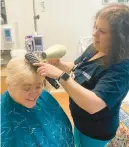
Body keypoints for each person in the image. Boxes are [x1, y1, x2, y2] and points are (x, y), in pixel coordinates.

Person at [33, 3, 129, 147]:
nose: (94, 34)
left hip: (97, 132)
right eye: (95, 27)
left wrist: (61, 75)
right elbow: (80, 66)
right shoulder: (95, 47)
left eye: (102, 31)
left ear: (119, 37)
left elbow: (94, 104)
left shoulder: (122, 68)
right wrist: (61, 66)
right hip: (81, 123)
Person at [1, 57, 74, 147]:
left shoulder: (45, 98)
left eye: (38, 87)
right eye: (27, 88)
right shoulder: (3, 115)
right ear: (10, 85)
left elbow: (64, 132)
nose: (34, 94)